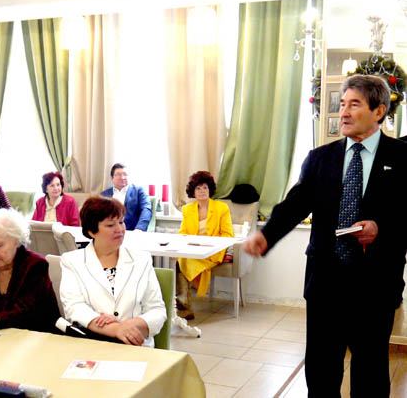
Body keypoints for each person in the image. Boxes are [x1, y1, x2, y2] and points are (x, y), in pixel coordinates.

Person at [243, 75, 407, 397]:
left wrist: (381, 228)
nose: (343, 112)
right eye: (342, 104)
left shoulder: (402, 158)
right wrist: (267, 235)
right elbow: (295, 204)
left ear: (379, 111)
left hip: (376, 285)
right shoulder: (320, 158)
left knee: (370, 373)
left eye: (354, 104)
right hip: (325, 284)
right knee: (321, 371)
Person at [59, 197, 166, 347]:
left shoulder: (142, 260)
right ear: (92, 231)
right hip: (92, 344)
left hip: (135, 346)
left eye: (121, 222)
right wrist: (116, 330)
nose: (120, 229)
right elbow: (74, 308)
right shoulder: (72, 261)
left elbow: (157, 310)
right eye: (110, 225)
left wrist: (126, 327)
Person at [176, 171, 233, 319]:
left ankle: (183, 301)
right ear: (193, 192)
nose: (202, 191)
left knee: (184, 262)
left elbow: (228, 234)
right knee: (180, 260)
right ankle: (184, 303)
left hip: (213, 251)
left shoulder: (222, 208)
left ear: (210, 190)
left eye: (205, 188)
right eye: (198, 188)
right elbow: (183, 233)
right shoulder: (187, 209)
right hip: (193, 249)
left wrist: (208, 244)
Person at [100, 163, 151, 231]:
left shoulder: (139, 191)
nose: (122, 177)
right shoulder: (104, 194)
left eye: (125, 174)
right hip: (109, 232)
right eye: (118, 175)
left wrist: (139, 228)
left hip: (132, 231)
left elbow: (146, 210)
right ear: (112, 178)